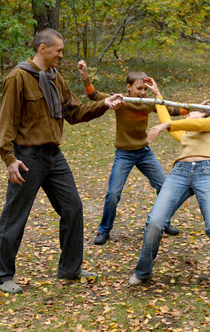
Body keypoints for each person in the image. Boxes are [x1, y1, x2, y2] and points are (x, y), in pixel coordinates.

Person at [0, 28, 125, 294]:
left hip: (54, 156)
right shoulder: (17, 78)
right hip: (27, 158)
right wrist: (9, 158)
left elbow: (73, 113)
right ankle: (1, 275)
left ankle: (70, 269)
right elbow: (6, 122)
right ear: (43, 49)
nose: (61, 56)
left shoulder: (54, 78)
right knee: (15, 216)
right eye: (58, 51)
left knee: (73, 208)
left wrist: (104, 104)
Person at [128, 101, 210, 288]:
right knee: (155, 222)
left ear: (204, 114)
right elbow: (167, 119)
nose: (185, 116)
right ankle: (142, 271)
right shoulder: (185, 135)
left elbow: (182, 124)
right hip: (179, 173)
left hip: (207, 173)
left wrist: (168, 124)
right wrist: (158, 97)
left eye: (190, 113)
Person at [77, 61, 189, 245]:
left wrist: (194, 108)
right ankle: (104, 230)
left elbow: (171, 110)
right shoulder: (119, 100)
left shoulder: (148, 103)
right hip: (124, 154)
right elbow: (93, 95)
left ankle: (164, 222)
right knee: (113, 194)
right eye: (139, 89)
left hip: (144, 152)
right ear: (128, 87)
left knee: (165, 186)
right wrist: (85, 76)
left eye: (145, 89)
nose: (143, 93)